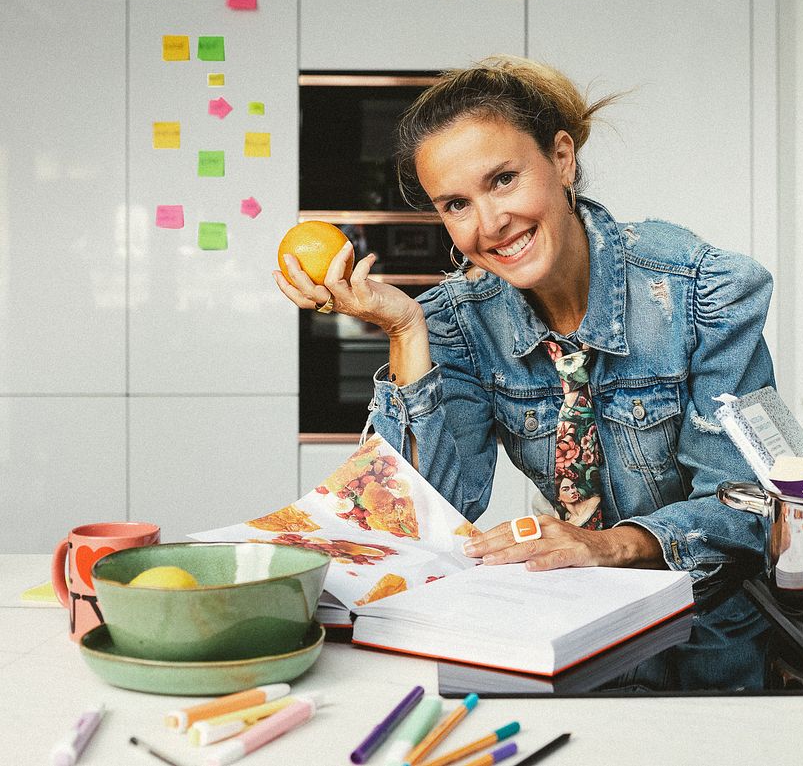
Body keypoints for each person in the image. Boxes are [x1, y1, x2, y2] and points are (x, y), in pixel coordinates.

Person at [273, 56, 776, 586]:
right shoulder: (460, 322)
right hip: (575, 614)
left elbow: (749, 504)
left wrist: (610, 545)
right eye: (457, 204)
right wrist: (405, 331)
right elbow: (418, 522)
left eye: (504, 180)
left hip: (713, 623)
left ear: (562, 159)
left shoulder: (703, 292)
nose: (490, 224)